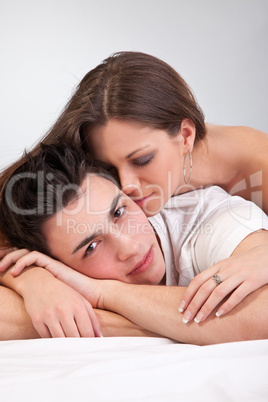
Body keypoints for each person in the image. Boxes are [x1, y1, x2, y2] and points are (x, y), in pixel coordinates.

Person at [1, 51, 268, 322]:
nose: (126, 184)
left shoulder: (255, 163)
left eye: (142, 160)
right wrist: (33, 279)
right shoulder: (100, 188)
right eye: (107, 168)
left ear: (186, 136)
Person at [0, 142, 268, 344]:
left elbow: (262, 314)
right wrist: (30, 278)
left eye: (119, 212)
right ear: (56, 266)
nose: (128, 247)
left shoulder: (209, 217)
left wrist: (103, 295)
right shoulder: (48, 275)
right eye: (91, 247)